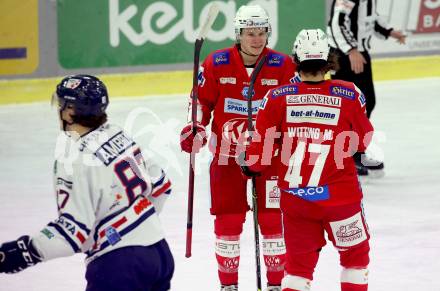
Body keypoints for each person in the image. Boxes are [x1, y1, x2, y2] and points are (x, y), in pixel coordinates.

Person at [0, 75, 174, 291]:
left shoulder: (74, 160)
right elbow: (162, 184)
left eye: (61, 105)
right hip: (159, 253)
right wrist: (140, 224)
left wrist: (25, 251)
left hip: (119, 267)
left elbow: (73, 232)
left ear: (70, 112)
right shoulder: (118, 133)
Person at [242, 29, 373, 291]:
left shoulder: (277, 97)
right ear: (328, 60)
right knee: (355, 260)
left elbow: (260, 155)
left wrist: (250, 166)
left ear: (296, 60)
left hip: (297, 200)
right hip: (341, 198)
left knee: (298, 270)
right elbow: (363, 140)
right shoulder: (349, 93)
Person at [180, 5, 297, 291]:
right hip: (225, 156)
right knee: (228, 221)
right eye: (249, 33)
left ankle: (275, 285)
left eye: (261, 33)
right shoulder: (216, 63)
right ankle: (228, 285)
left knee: (272, 222)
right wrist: (195, 127)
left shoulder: (283, 65)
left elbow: (293, 108)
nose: (256, 39)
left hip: (269, 157)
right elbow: (200, 101)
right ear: (238, 34)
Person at [327, 0, 406, 176]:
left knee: (366, 103)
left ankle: (356, 153)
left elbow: (370, 19)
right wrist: (351, 50)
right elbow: (336, 23)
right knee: (348, 107)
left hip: (358, 53)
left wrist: (390, 32)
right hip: (343, 55)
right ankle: (345, 156)